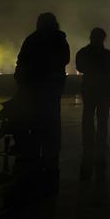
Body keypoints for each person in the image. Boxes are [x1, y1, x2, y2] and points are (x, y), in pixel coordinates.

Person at [13, 13, 69, 174]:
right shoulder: (59, 39)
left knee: (33, 121)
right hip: (51, 88)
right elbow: (64, 60)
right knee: (51, 122)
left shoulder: (32, 39)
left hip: (34, 87)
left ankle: (32, 154)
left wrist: (22, 77)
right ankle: (50, 156)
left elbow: (22, 60)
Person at [75, 28, 110, 162]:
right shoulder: (107, 54)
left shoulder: (83, 52)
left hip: (89, 88)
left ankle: (88, 142)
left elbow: (80, 68)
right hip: (105, 89)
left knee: (88, 116)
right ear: (103, 39)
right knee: (103, 117)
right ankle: (101, 142)